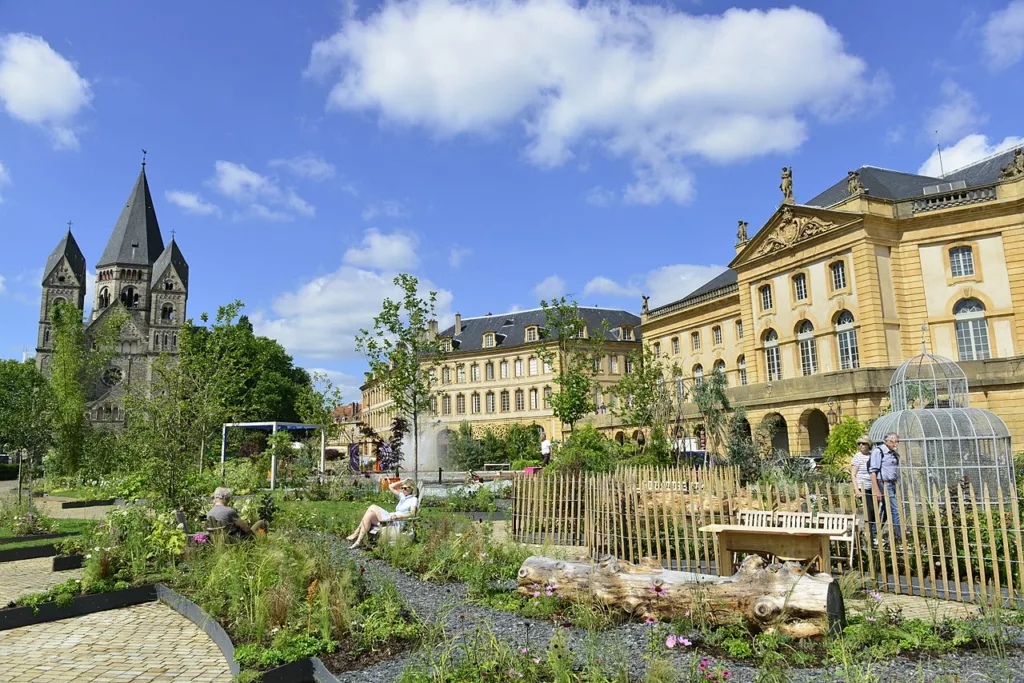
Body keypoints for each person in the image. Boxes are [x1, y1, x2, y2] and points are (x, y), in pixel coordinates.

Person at [346, 478, 418, 549]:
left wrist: (400, 516)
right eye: (402, 488)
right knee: (369, 515)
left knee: (373, 506)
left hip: (396, 521)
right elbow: (390, 486)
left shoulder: (413, 499)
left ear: (411, 488)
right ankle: (359, 541)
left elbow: (412, 513)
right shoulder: (402, 496)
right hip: (391, 517)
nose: (403, 490)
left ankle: (356, 533)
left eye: (405, 488)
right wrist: (402, 482)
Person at [868, 432, 901, 542]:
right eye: (894, 442)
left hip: (892, 483)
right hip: (884, 483)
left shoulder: (892, 453)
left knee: (886, 510)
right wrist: (877, 490)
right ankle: (900, 536)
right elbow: (873, 472)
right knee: (895, 509)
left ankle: (873, 533)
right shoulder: (879, 451)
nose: (896, 444)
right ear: (887, 441)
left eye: (897, 441)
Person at [849, 435, 874, 528]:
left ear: (868, 445)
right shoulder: (857, 457)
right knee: (870, 508)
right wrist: (857, 490)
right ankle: (870, 529)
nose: (861, 445)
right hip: (862, 486)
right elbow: (853, 475)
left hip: (872, 486)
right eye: (859, 444)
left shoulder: (872, 456)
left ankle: (873, 528)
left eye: (863, 443)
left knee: (876, 508)